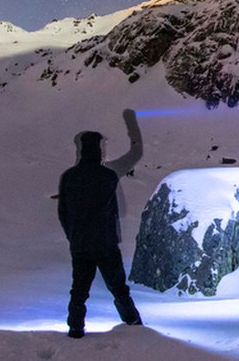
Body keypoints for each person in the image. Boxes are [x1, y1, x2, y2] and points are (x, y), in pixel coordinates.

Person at [58, 108, 144, 337]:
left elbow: (63, 213)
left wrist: (74, 235)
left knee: (79, 291)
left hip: (81, 245)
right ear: (97, 150)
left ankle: (76, 328)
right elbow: (136, 155)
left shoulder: (69, 177)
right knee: (118, 288)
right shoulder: (108, 174)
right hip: (106, 245)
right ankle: (133, 323)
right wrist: (131, 122)